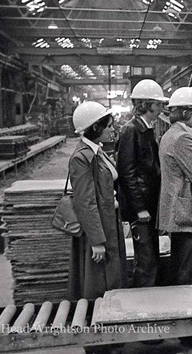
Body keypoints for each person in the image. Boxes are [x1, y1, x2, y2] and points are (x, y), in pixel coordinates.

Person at [157, 87, 192, 350]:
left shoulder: (175, 134)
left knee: (186, 271)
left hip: (182, 212)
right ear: (184, 112)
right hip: (187, 213)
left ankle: (189, 329)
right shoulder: (182, 138)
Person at [68, 101, 127, 300]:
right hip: (99, 229)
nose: (113, 130)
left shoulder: (97, 152)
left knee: (112, 276)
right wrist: (96, 241)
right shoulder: (81, 158)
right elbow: (85, 202)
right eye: (109, 126)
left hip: (109, 221)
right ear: (95, 127)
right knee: (100, 281)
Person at [116, 79, 168, 288]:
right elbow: (126, 173)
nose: (161, 108)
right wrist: (139, 209)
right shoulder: (131, 130)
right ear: (146, 104)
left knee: (151, 256)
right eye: (158, 104)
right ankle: (143, 304)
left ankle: (150, 300)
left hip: (150, 204)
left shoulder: (146, 129)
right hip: (142, 209)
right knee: (146, 261)